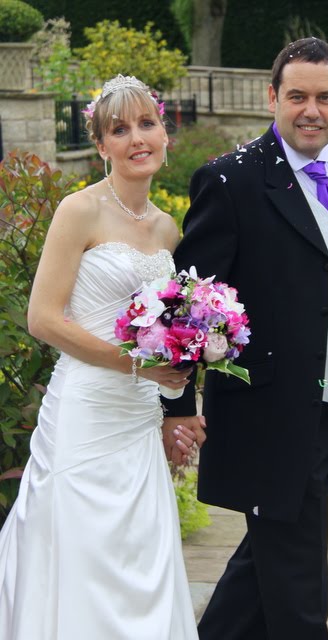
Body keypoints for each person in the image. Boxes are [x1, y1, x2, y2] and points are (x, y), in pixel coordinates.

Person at [163, 38, 328, 639]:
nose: (311, 110)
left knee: (269, 555)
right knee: (298, 578)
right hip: (269, 413)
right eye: (297, 95)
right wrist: (178, 405)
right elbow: (187, 304)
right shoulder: (230, 180)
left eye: (324, 97)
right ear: (272, 97)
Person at [0, 74, 205, 640]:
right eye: (119, 129)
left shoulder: (168, 229)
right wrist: (136, 367)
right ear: (101, 145)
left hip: (139, 422)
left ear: (165, 134)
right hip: (87, 415)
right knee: (84, 558)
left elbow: (172, 338)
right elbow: (42, 318)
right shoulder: (79, 210)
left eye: (146, 123)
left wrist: (174, 408)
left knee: (140, 560)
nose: (136, 137)